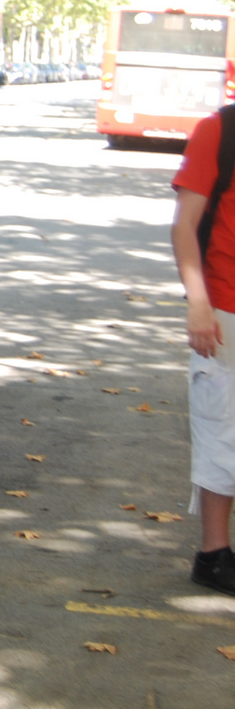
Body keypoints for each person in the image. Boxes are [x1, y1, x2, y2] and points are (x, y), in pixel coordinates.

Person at [171, 110, 235, 595]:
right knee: (221, 433)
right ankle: (213, 554)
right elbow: (185, 225)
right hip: (225, 314)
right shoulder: (220, 131)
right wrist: (198, 302)